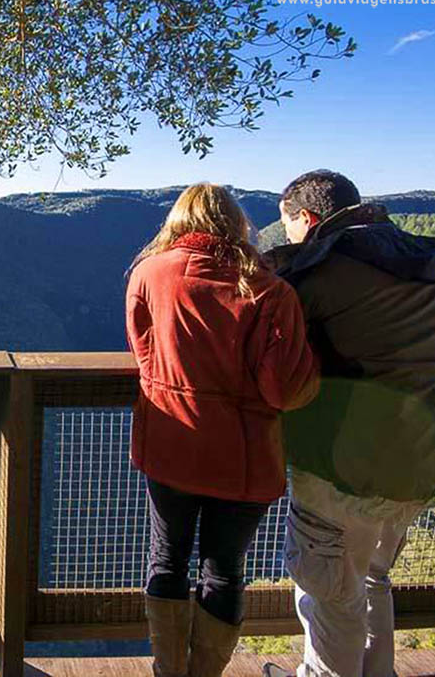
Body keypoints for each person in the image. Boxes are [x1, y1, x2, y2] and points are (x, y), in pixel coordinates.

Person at [261, 170, 435, 677]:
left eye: (288, 228)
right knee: (372, 576)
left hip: (346, 467)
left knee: (329, 593)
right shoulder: (419, 259)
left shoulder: (321, 273)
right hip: (426, 455)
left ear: (307, 218)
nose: (288, 239)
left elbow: (265, 341)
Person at [125, 183, 321, 677]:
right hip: (243, 455)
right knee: (224, 570)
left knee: (166, 560)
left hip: (172, 441)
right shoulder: (269, 290)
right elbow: (282, 389)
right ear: (237, 225)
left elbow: (144, 352)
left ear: (177, 222)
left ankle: (168, 670)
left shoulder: (148, 274)